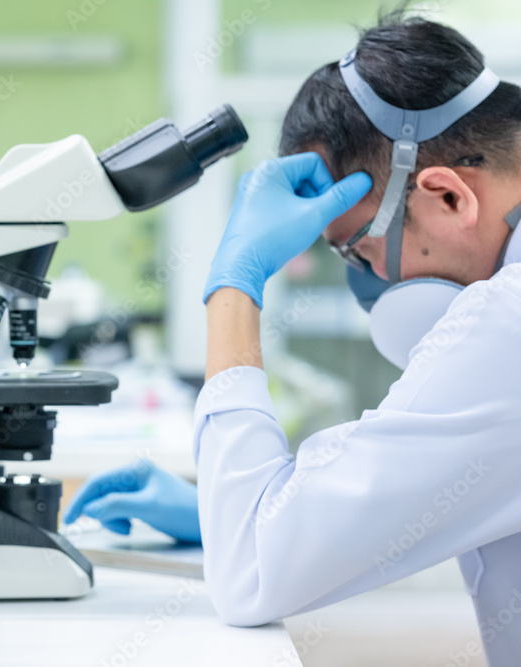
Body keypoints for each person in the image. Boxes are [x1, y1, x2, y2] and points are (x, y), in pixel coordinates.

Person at [64, 12, 521, 666]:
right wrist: (244, 512)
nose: (369, 286)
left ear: (449, 198)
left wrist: (233, 284)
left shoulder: (506, 325)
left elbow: (253, 575)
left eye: (359, 251)